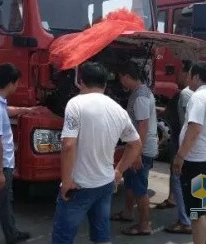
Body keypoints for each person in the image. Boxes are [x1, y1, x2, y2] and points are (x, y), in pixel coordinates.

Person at [51, 62, 142, 244]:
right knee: (101, 235)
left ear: (81, 81)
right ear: (105, 84)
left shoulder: (75, 104)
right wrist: (119, 171)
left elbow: (68, 144)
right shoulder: (118, 110)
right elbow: (136, 144)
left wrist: (67, 181)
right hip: (105, 183)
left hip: (78, 186)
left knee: (63, 237)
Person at [172, 61, 206, 244]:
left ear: (196, 77)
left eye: (189, 76)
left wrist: (180, 156)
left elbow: (194, 129)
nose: (187, 79)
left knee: (197, 212)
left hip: (198, 163)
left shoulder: (198, 98)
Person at [0, 63, 32, 244]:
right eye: (17, 83)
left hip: (2, 164)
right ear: (11, 83)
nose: (17, 86)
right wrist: (0, 172)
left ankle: (11, 233)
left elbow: (7, 111)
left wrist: (25, 110)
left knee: (5, 200)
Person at [111, 61, 158, 236]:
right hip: (135, 146)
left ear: (127, 77)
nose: (120, 82)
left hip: (141, 149)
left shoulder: (140, 96)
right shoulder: (139, 93)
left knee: (139, 186)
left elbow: (143, 125)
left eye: (121, 78)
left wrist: (137, 153)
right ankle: (128, 213)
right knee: (131, 181)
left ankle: (144, 224)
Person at [157, 61, 193, 234]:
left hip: (182, 142)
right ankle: (175, 201)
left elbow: (172, 116)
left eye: (180, 72)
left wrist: (151, 107)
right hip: (196, 147)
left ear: (188, 75)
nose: (177, 75)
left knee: (179, 177)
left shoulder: (184, 95)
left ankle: (186, 220)